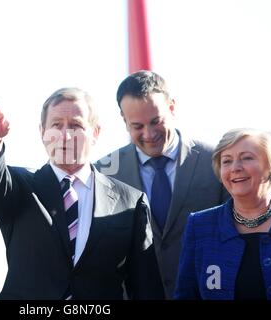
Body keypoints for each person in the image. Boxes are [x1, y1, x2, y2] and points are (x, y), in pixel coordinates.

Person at [0, 88, 163, 299]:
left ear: (95, 133)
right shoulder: (19, 187)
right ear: (42, 132)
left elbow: (146, 287)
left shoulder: (130, 202)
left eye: (76, 125)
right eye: (56, 125)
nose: (66, 135)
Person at [96, 70, 229, 298]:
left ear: (172, 107)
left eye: (156, 122)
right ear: (123, 119)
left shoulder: (216, 161)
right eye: (137, 126)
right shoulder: (104, 172)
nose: (149, 134)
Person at [174, 128, 271, 299]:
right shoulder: (200, 225)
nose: (235, 168)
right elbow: (186, 294)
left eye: (247, 158)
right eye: (226, 161)